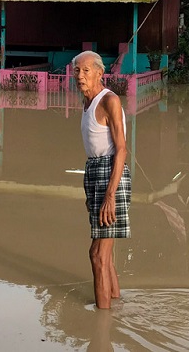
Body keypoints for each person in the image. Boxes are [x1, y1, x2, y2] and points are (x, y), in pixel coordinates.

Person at [73, 50, 131, 309]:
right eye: (77, 70)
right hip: (95, 172)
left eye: (86, 71)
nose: (80, 76)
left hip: (111, 174)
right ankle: (115, 305)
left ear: (100, 73)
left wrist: (110, 196)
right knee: (104, 255)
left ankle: (102, 323)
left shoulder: (109, 101)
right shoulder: (88, 103)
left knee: (97, 255)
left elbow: (121, 150)